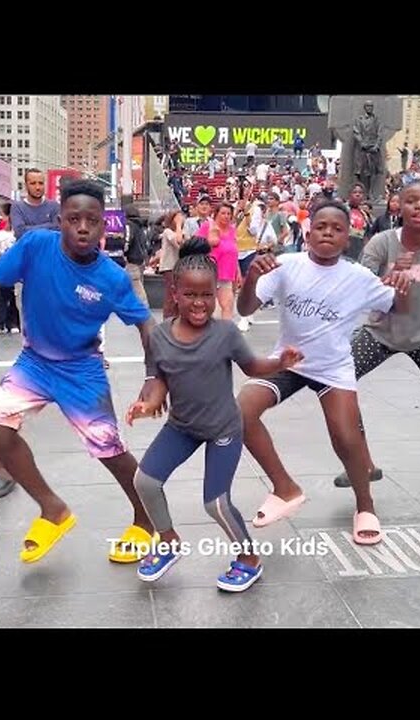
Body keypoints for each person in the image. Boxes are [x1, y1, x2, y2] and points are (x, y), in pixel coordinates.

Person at [0, 179, 161, 564]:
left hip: (82, 370)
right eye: (74, 219)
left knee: (109, 450)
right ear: (60, 220)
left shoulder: (111, 278)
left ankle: (147, 520)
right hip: (35, 362)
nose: (83, 228)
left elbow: (146, 325)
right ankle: (53, 509)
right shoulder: (35, 246)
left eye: (92, 220)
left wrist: (153, 377)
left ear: (103, 226)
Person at [126, 238, 304, 592]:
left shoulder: (225, 333)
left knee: (216, 503)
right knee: (144, 481)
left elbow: (253, 367)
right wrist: (147, 404)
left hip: (224, 428)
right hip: (182, 427)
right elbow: (161, 380)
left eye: (206, 295)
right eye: (190, 295)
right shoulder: (159, 337)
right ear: (174, 293)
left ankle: (249, 559)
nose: (199, 303)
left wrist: (279, 363)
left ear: (215, 293)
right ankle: (168, 541)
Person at [234, 200, 412, 546]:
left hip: (332, 368)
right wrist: (252, 277)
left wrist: (405, 285)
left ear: (348, 238)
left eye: (337, 228)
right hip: (287, 362)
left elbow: (396, 307)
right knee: (239, 412)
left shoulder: (358, 278)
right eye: (321, 226)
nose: (328, 232)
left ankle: (365, 506)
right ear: (308, 231)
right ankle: (285, 488)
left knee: (347, 438)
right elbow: (245, 308)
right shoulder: (286, 265)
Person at [330, 181, 420, 497]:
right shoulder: (380, 244)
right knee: (339, 386)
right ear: (399, 205)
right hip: (380, 332)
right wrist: (391, 274)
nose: (419, 207)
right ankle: (362, 462)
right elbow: (362, 289)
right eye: (411, 201)